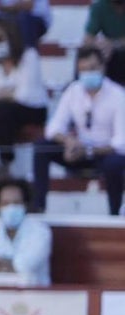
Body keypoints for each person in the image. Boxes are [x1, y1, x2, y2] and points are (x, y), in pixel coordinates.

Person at [32, 46, 125, 216]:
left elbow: (121, 142)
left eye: (92, 68)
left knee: (114, 163)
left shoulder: (118, 95)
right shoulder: (73, 91)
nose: (88, 73)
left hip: (105, 154)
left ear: (103, 67)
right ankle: (39, 206)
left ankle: (114, 213)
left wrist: (88, 150)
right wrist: (69, 142)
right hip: (78, 152)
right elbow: (53, 128)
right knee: (42, 147)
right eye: (83, 69)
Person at [0, 17, 48, 176]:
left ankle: (5, 160)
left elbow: (26, 94)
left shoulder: (29, 56)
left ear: (11, 37)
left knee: (2, 110)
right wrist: (9, 92)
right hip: (2, 108)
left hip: (33, 108)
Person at [85, 0, 125, 86]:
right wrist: (99, 45)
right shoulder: (99, 7)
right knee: (85, 55)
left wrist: (114, 44)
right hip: (113, 57)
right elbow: (88, 39)